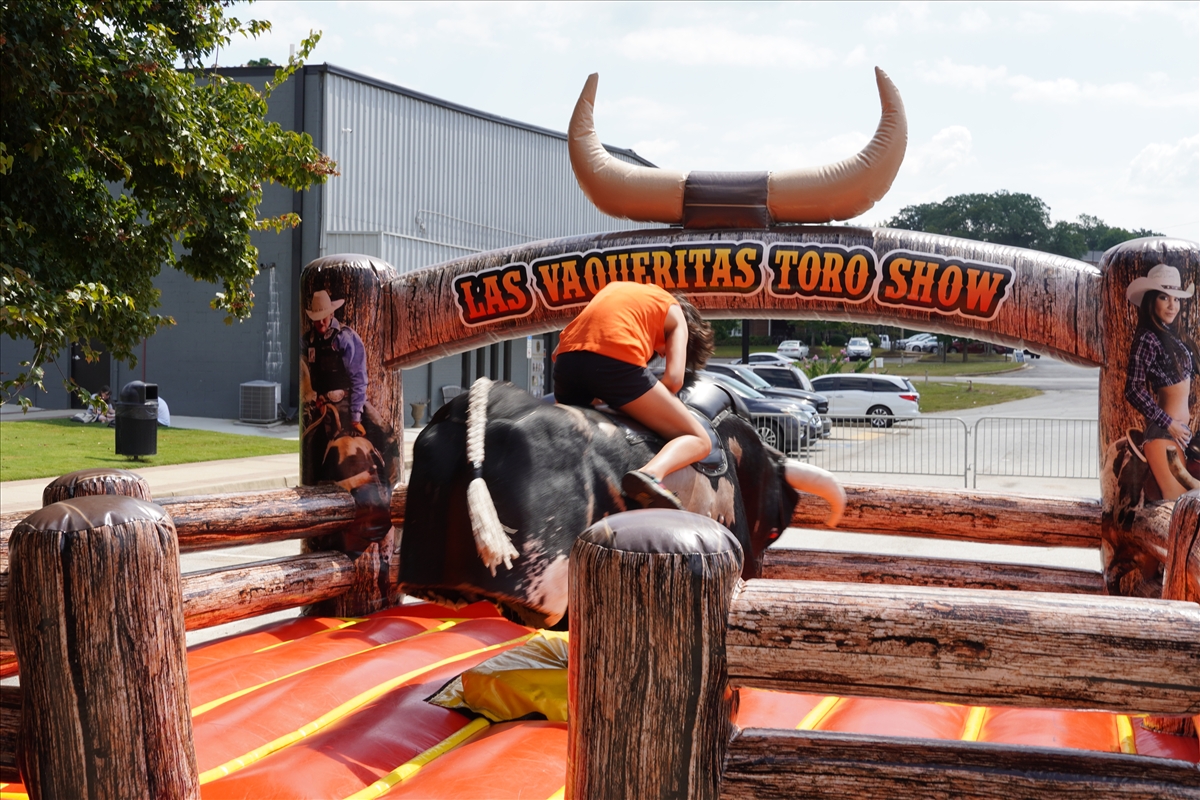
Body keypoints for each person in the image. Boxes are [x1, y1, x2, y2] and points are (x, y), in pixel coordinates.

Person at [553, 281, 714, 509]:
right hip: (614, 362)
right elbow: (674, 380)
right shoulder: (675, 311)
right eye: (664, 352)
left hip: (566, 364)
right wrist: (646, 404)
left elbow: (555, 353)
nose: (661, 354)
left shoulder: (620, 291)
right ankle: (651, 474)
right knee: (700, 439)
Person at [300, 289, 397, 487]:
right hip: (323, 406)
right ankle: (311, 489)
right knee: (308, 444)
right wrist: (314, 397)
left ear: (331, 314)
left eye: (324, 317)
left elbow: (359, 379)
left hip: (350, 399)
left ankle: (392, 484)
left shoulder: (345, 338)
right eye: (316, 319)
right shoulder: (308, 340)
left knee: (386, 434)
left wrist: (355, 417)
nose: (321, 323)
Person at [1124, 263, 1197, 500]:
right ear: (1151, 301)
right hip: (1163, 435)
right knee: (1177, 504)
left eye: (1176, 299)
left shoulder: (1173, 337)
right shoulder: (1148, 338)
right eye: (1164, 297)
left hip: (1181, 435)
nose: (1172, 305)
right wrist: (1169, 423)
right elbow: (1133, 389)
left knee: (1187, 503)